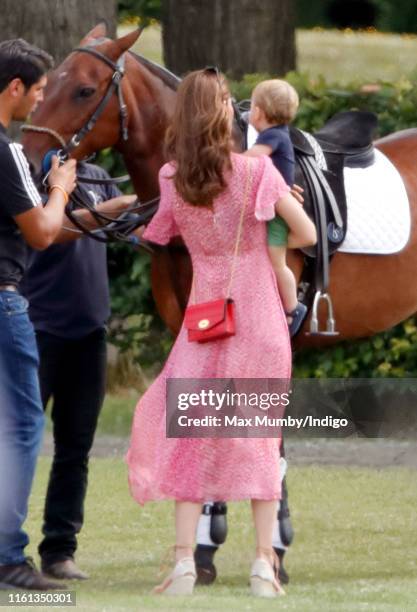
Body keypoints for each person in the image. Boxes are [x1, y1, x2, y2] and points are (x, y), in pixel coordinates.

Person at [126, 68, 316, 597]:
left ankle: (185, 563)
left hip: (204, 320)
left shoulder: (171, 178)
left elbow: (157, 233)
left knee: (193, 436)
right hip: (257, 317)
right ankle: (262, 565)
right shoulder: (258, 175)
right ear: (224, 111)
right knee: (259, 438)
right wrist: (273, 217)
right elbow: (306, 232)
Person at [20, 162, 122, 581]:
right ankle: (9, 547)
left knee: (75, 449)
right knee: (17, 445)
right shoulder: (27, 172)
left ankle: (59, 552)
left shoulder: (98, 176)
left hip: (89, 332)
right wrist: (120, 206)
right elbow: (52, 232)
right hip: (36, 329)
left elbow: (131, 228)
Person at [0, 38, 77, 591]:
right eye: (39, 92)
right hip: (3, 303)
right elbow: (44, 233)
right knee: (22, 426)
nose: (40, 104)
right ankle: (8, 557)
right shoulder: (5, 154)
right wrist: (60, 188)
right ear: (14, 88)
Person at [245, 79, 307, 337]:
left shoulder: (271, 136)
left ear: (258, 112)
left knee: (277, 260)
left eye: (251, 106)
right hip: (273, 205)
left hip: (276, 211)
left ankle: (293, 308)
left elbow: (253, 159)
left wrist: (222, 161)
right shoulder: (280, 132)